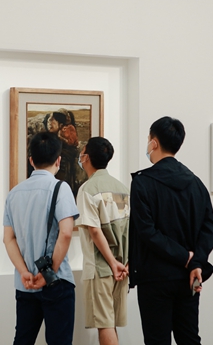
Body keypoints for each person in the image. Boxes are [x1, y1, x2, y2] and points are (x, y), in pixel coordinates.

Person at [129, 116, 213, 345]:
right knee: (189, 339)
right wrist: (196, 261)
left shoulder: (142, 182)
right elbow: (210, 228)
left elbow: (147, 232)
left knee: (157, 340)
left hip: (154, 277)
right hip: (188, 277)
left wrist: (187, 258)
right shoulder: (196, 183)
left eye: (148, 139)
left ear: (154, 143)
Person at [3, 132, 79, 345]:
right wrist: (49, 273)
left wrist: (24, 272)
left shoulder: (14, 194)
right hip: (56, 281)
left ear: (31, 161)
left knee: (23, 340)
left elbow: (8, 239)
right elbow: (66, 232)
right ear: (58, 160)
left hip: (25, 284)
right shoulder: (60, 188)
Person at [75, 137, 130, 345]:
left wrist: (111, 263)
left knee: (104, 324)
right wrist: (122, 263)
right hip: (122, 266)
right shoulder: (122, 188)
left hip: (101, 266)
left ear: (86, 157)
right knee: (110, 322)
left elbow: (95, 231)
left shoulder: (87, 189)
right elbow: (130, 229)